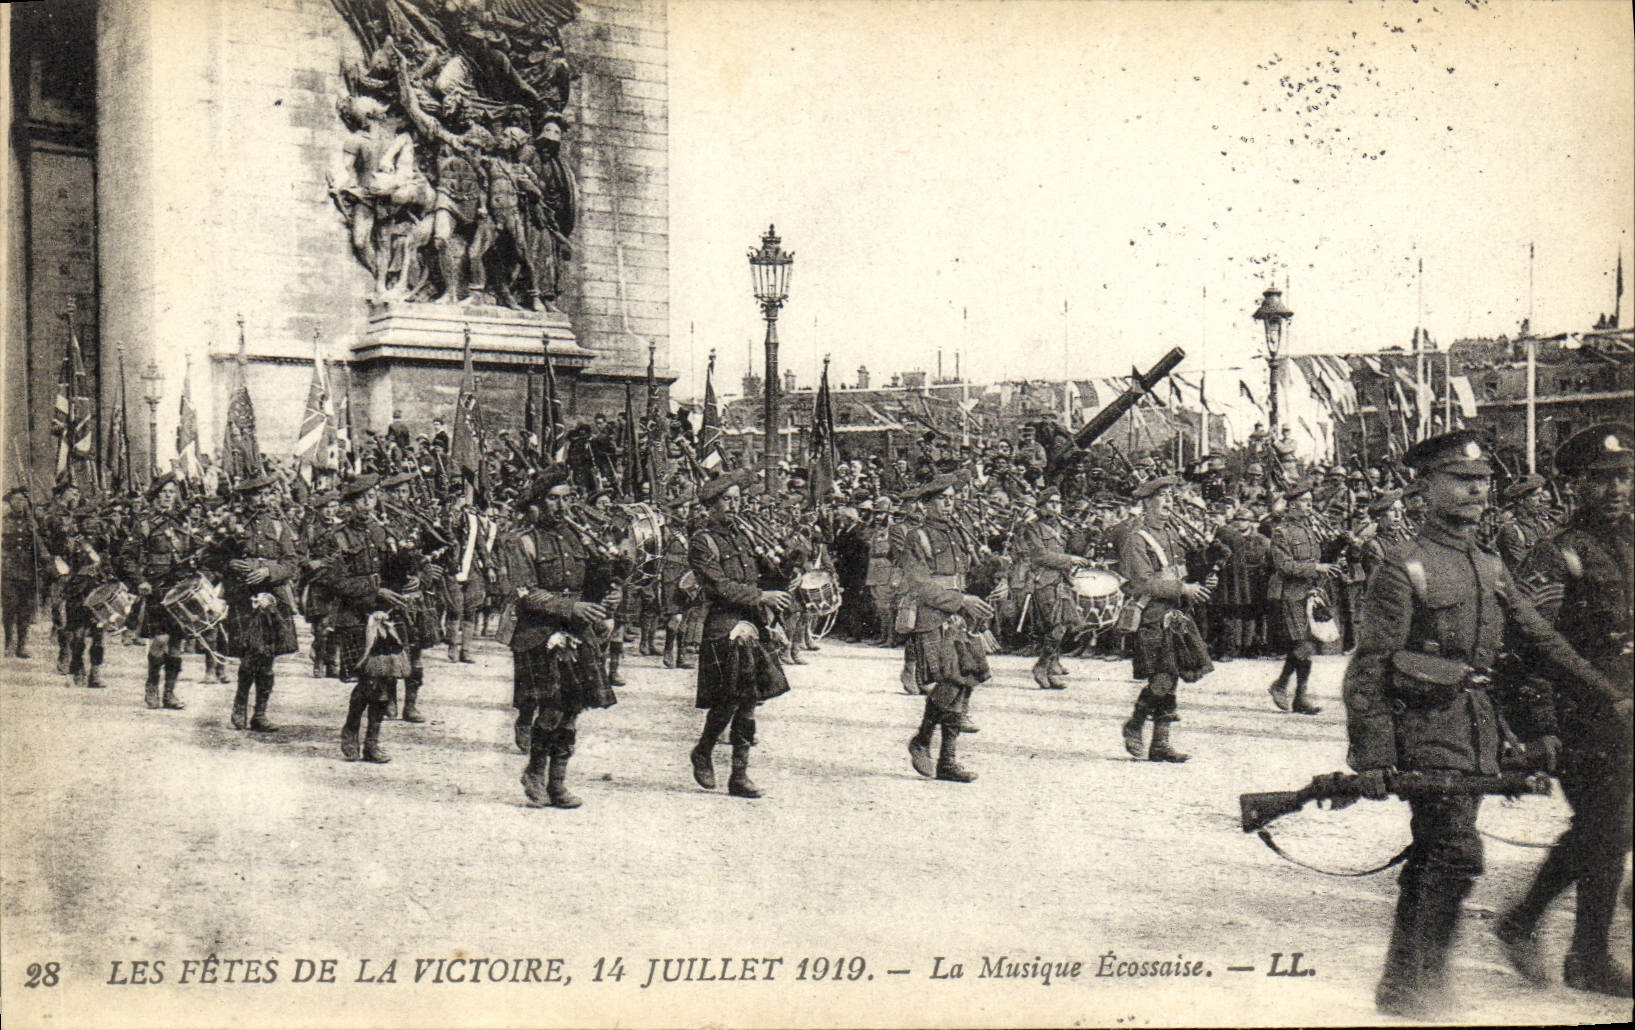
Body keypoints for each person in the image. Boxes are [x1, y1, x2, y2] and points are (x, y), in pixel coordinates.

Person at [1340, 431, 1620, 1019]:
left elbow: (1542, 644)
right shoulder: (1404, 565)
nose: (1476, 492)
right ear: (1425, 488)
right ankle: (1416, 987)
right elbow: (1369, 668)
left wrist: (1608, 695)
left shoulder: (1489, 565)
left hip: (1475, 730)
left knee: (1442, 854)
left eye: (1483, 482)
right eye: (1460, 481)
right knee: (1453, 850)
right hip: (1422, 728)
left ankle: (1408, 983)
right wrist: (1372, 756)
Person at [1497, 424, 1633, 997]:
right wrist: (1541, 726)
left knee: (1609, 830)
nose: (1618, 489)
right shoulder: (1557, 554)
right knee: (1607, 827)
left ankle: (1535, 927)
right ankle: (1580, 953)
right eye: (1601, 480)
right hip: (1584, 712)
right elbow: (1527, 647)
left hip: (1627, 708)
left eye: (1625, 476)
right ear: (1573, 486)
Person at [505, 474, 614, 808]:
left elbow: (599, 583)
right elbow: (526, 593)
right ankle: (535, 773)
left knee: (574, 707)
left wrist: (611, 587)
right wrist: (572, 606)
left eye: (566, 498)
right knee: (552, 707)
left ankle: (558, 782)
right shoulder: (521, 540)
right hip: (539, 633)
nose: (561, 505)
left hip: (578, 631)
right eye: (553, 498)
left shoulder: (578, 537)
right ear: (538, 503)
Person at [687, 470, 795, 798]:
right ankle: (704, 749)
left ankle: (739, 775)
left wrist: (787, 562)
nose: (734, 506)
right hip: (723, 624)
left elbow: (764, 574)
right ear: (711, 505)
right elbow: (719, 586)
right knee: (727, 700)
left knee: (749, 700)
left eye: (737, 499)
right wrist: (761, 596)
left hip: (752, 621)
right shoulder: (702, 541)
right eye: (727, 500)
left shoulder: (744, 535)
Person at [899, 475, 995, 782]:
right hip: (933, 617)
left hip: (959, 615)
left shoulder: (956, 532)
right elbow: (921, 584)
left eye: (951, 498)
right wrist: (960, 602)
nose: (948, 504)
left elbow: (968, 574)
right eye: (942, 499)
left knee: (965, 682)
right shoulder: (917, 536)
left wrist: (996, 576)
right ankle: (923, 740)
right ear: (925, 505)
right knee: (952, 680)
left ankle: (946, 760)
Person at [1117, 476, 1213, 762]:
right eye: (1162, 497)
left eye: (1171, 496)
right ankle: (1134, 724)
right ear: (1146, 504)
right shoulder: (1137, 538)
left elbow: (1180, 570)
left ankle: (1160, 743)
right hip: (1152, 615)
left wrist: (1208, 565)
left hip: (1175, 614)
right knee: (1161, 679)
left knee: (1171, 678)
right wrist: (1183, 588)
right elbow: (1144, 582)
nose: (1169, 502)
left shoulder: (1171, 534)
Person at [217, 473, 301, 732]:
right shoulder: (230, 523)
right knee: (251, 655)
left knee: (268, 657)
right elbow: (210, 557)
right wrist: (228, 563)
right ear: (244, 497)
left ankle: (260, 713)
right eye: (256, 494)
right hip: (243, 596)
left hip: (273, 597)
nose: (262, 499)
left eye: (266, 493)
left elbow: (291, 563)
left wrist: (269, 571)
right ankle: (240, 705)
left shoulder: (278, 524)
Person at [121, 473, 195, 711]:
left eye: (171, 493)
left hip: (180, 588)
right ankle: (152, 685)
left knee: (176, 643)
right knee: (160, 640)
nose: (167, 497)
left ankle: (170, 693)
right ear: (155, 497)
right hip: (157, 587)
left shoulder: (182, 523)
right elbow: (127, 557)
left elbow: (193, 552)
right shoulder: (144, 524)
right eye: (163, 493)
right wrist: (140, 580)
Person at [1267, 479, 1341, 715]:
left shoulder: (1309, 529)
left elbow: (1318, 557)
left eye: (1310, 501)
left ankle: (1293, 693)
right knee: (1303, 645)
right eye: (1305, 502)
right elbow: (1283, 565)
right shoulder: (1281, 532)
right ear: (1291, 506)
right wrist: (1316, 568)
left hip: (1309, 594)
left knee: (1306, 645)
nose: (1310, 505)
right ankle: (1288, 689)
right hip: (1290, 595)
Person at [1013, 487, 1090, 689]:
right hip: (1043, 581)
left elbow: (1076, 549)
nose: (1056, 507)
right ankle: (1042, 667)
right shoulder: (1032, 529)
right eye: (1051, 503)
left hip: (1061, 581)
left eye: (1058, 503)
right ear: (1041, 507)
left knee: (1064, 623)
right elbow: (1040, 556)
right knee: (1055, 625)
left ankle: (1048, 668)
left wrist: (1080, 535)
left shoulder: (1061, 527)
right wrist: (1070, 559)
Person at [2, 487, 44, 658]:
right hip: (7, 570)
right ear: (10, 503)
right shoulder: (3, 521)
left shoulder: (31, 522)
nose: (19, 503)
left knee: (25, 609)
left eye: (22, 500)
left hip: (28, 570)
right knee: (10, 607)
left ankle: (22, 644)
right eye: (16, 500)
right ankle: (9, 643)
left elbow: (39, 545)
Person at [1494, 473, 1554, 573]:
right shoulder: (1511, 531)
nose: (1542, 499)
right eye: (1537, 495)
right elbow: (1525, 567)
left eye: (1542, 495)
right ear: (1521, 500)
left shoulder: (1544, 526)